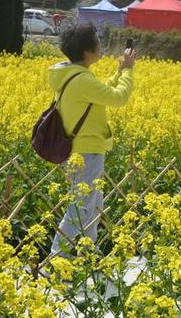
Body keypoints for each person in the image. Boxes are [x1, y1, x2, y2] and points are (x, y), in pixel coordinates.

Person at [49, 26, 136, 256]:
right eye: (97, 42)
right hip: (86, 152)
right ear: (87, 51)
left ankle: (89, 252)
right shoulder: (81, 80)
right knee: (82, 207)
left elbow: (102, 91)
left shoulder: (74, 74)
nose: (100, 46)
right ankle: (57, 258)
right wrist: (127, 71)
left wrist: (118, 72)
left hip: (80, 150)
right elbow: (118, 98)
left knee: (92, 204)